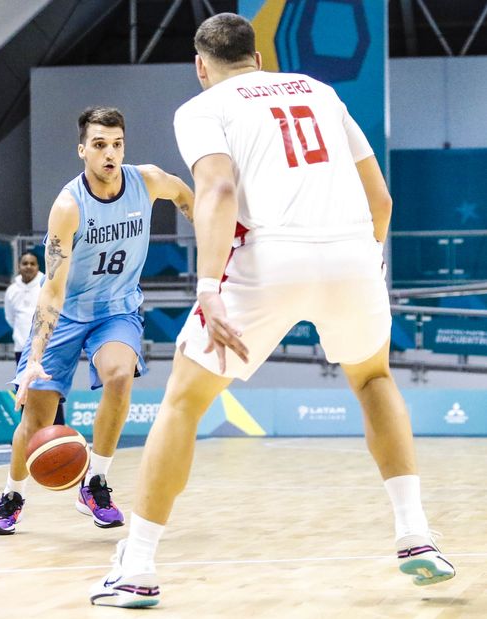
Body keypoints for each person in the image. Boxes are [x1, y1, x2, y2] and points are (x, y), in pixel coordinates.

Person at [89, 14, 455, 608]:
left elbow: (218, 191)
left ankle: (137, 567)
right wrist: (366, 262)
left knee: (182, 402)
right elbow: (381, 199)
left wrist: (208, 285)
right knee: (374, 380)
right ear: (258, 59)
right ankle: (415, 534)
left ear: (201, 66)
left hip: (270, 259)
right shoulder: (321, 91)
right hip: (353, 254)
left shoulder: (202, 108)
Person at [0, 106, 194, 536]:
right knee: (36, 420)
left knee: (119, 375)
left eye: (117, 144)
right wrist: (35, 357)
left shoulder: (147, 181)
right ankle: (12, 495)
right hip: (67, 313)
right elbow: (52, 289)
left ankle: (95, 482)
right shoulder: (68, 206)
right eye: (99, 145)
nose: (109, 153)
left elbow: (185, 196)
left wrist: (217, 231)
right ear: (82, 150)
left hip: (117, 310)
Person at [4, 250, 63, 425]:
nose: (28, 267)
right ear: (19, 266)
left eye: (32, 263)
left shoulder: (46, 284)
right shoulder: (12, 291)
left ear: (38, 266)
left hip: (47, 349)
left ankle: (57, 430)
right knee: (24, 391)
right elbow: (10, 318)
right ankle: (26, 431)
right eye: (25, 263)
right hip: (22, 350)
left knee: (51, 390)